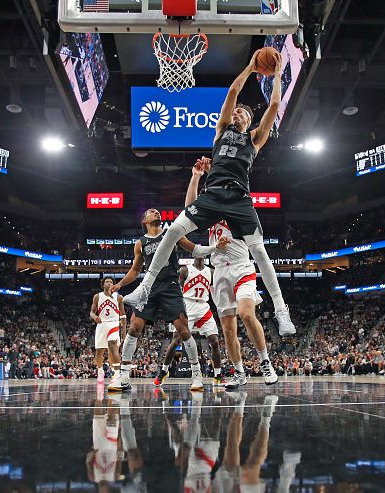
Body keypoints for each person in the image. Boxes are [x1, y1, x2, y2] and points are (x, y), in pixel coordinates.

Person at [121, 50, 296, 337]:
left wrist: (276, 75)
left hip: (239, 197)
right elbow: (232, 91)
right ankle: (145, 287)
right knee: (173, 231)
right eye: (236, 110)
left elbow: (275, 104)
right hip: (212, 194)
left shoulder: (254, 139)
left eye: (243, 112)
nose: (237, 111)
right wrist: (251, 67)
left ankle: (280, 311)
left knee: (259, 251)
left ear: (250, 121)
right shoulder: (219, 132)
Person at [108, 208, 228, 393]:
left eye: (157, 211)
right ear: (144, 220)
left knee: (183, 330)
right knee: (133, 328)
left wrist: (214, 248)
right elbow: (135, 270)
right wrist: (120, 285)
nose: (156, 213)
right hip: (150, 286)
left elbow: (195, 249)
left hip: (171, 286)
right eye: (151, 212)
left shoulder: (173, 233)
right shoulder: (140, 243)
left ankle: (196, 375)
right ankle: (123, 376)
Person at [188, 162, 279, 390]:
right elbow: (190, 209)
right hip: (219, 272)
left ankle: (266, 363)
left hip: (241, 267)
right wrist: (197, 177)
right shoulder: (210, 215)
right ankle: (239, 373)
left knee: (246, 314)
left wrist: (217, 173)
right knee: (228, 329)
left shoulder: (239, 207)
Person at [154, 255, 225, 387]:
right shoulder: (185, 270)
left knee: (214, 341)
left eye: (202, 251)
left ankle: (218, 375)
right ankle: (164, 371)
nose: (200, 253)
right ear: (193, 254)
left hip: (203, 305)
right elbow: (176, 289)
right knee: (175, 340)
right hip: (187, 305)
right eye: (197, 251)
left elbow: (218, 288)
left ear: (205, 255)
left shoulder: (211, 271)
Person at [89, 277, 126, 383]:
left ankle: (117, 373)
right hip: (102, 324)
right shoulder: (97, 297)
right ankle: (100, 370)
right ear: (103, 284)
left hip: (114, 323)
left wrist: (123, 330)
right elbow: (91, 312)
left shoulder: (119, 297)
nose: (109, 283)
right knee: (99, 352)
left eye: (111, 282)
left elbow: (123, 315)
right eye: (107, 282)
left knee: (113, 347)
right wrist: (94, 317)